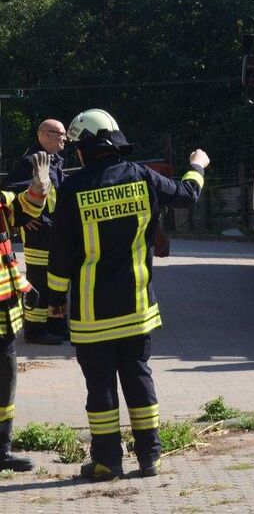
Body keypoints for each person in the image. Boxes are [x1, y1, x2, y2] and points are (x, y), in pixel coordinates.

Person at [46, 109, 209, 481]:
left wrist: (55, 300)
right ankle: (149, 457)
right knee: (138, 378)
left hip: (92, 313)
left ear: (84, 148)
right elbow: (187, 195)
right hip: (137, 308)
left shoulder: (72, 190)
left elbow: (60, 253)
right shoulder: (142, 176)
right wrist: (197, 165)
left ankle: (106, 462)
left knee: (100, 386)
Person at [0, 152, 51, 471]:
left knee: (5, 385)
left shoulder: (0, 202)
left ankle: (2, 449)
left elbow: (25, 205)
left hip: (4, 318)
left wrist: (40, 187)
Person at [6, 119, 67, 345]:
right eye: (59, 133)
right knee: (39, 282)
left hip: (54, 233)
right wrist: (27, 217)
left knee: (57, 281)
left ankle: (56, 325)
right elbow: (11, 192)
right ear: (43, 135)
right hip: (38, 235)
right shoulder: (29, 161)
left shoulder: (56, 161)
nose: (65, 138)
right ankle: (35, 330)